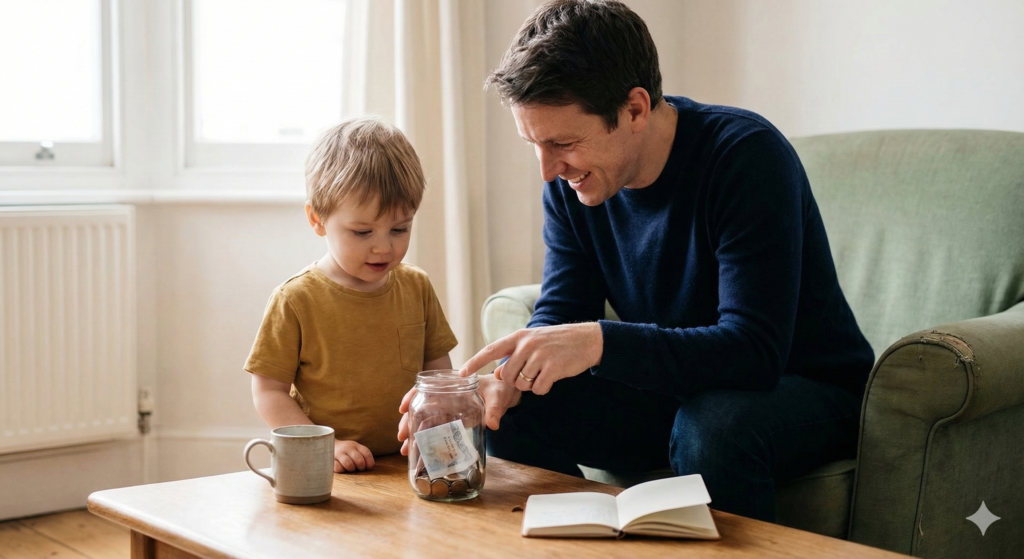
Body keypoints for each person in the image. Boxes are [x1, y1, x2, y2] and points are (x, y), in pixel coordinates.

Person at [402, 0, 874, 522]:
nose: (548, 169)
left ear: (635, 109)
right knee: (509, 415)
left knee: (712, 426)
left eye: (563, 142)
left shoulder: (745, 157)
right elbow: (561, 307)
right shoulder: (572, 185)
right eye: (534, 144)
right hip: (683, 391)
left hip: (802, 389)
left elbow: (753, 351)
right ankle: (583, 540)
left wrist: (601, 341)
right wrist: (503, 383)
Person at [247, 116, 458, 474]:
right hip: (326, 467)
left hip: (404, 463)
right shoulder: (296, 299)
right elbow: (268, 392)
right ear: (317, 220)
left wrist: (441, 434)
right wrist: (324, 444)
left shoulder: (416, 286)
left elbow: (437, 374)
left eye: (399, 229)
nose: (383, 247)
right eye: (362, 232)